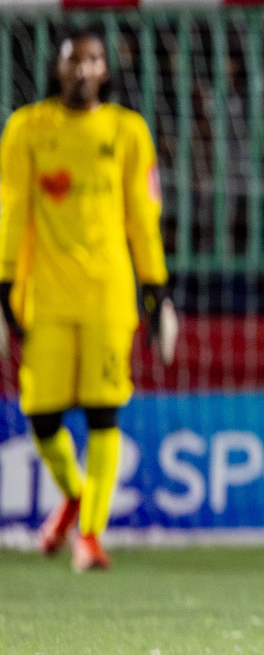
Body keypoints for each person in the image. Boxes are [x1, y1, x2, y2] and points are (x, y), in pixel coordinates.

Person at [0, 30, 174, 571]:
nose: (84, 68)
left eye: (94, 59)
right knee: (42, 418)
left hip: (108, 294)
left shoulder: (127, 131)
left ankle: (90, 536)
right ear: (57, 67)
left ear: (106, 69)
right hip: (46, 297)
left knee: (103, 414)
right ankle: (76, 494)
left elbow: (143, 217)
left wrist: (156, 289)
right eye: (75, 59)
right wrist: (4, 285)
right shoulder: (27, 128)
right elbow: (10, 207)